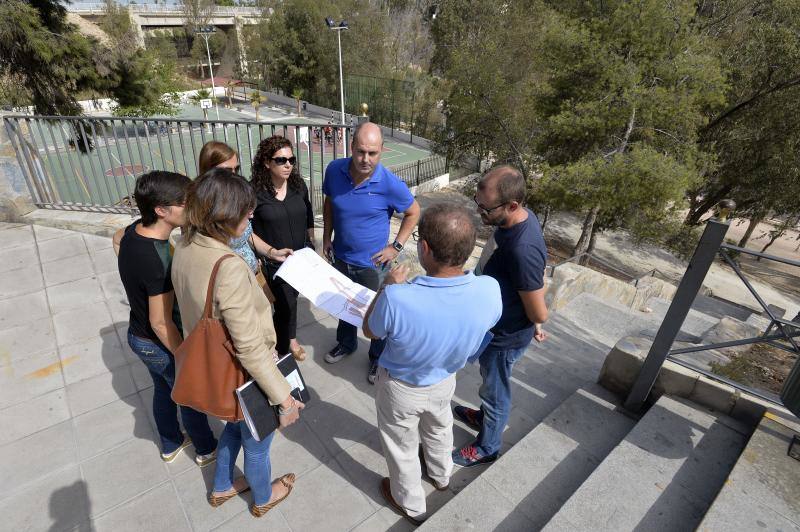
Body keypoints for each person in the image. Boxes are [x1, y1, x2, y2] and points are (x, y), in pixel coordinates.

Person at [171, 168, 304, 517]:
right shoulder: (227, 265)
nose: (250, 218)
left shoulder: (184, 244)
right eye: (245, 214)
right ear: (223, 217)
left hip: (217, 367)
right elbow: (248, 347)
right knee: (257, 441)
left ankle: (222, 486)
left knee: (233, 426)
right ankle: (262, 497)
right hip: (242, 372)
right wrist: (284, 399)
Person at [363, 204, 502, 524]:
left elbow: (370, 330)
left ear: (423, 248)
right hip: (445, 380)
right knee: (439, 428)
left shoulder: (399, 298)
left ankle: (409, 501)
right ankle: (441, 475)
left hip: (401, 387)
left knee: (401, 444)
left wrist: (386, 288)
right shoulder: (490, 290)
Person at [116, 171, 217, 466]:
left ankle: (171, 442)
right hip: (157, 340)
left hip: (139, 334)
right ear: (161, 210)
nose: (192, 207)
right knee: (189, 393)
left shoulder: (134, 230)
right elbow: (161, 322)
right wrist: (184, 355)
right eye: (186, 203)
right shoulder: (155, 262)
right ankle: (205, 447)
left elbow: (116, 238)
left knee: (164, 388)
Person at [451, 165, 549, 467]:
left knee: (495, 390)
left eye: (485, 208)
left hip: (505, 336)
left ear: (512, 205)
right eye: (478, 203)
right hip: (495, 324)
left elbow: (538, 308)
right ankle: (483, 418)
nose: (480, 212)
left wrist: (536, 322)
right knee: (488, 382)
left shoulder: (523, 248)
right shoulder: (515, 221)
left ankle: (488, 447)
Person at [322, 121, 421, 384]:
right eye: (361, 151)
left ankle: (377, 357)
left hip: (374, 265)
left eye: (373, 153)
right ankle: (346, 343)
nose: (366, 159)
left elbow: (414, 212)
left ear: (381, 151)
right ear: (351, 147)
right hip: (341, 257)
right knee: (346, 306)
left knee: (377, 313)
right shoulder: (334, 170)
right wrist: (325, 237)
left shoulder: (389, 183)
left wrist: (395, 247)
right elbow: (330, 202)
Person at [251, 136, 315, 362]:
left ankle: (289, 339)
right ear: (267, 162)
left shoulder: (299, 186)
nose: (288, 164)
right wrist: (266, 251)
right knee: (284, 305)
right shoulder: (254, 193)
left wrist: (311, 242)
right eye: (281, 160)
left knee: (292, 301)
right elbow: (246, 230)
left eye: (291, 159)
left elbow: (308, 215)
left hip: (300, 259)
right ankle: (283, 348)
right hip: (273, 263)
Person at [197, 141, 294, 281]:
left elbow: (247, 233)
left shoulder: (233, 195)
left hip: (253, 276)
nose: (233, 175)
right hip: (231, 282)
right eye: (226, 171)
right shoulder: (201, 206)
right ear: (208, 170)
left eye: (236, 169)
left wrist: (272, 252)